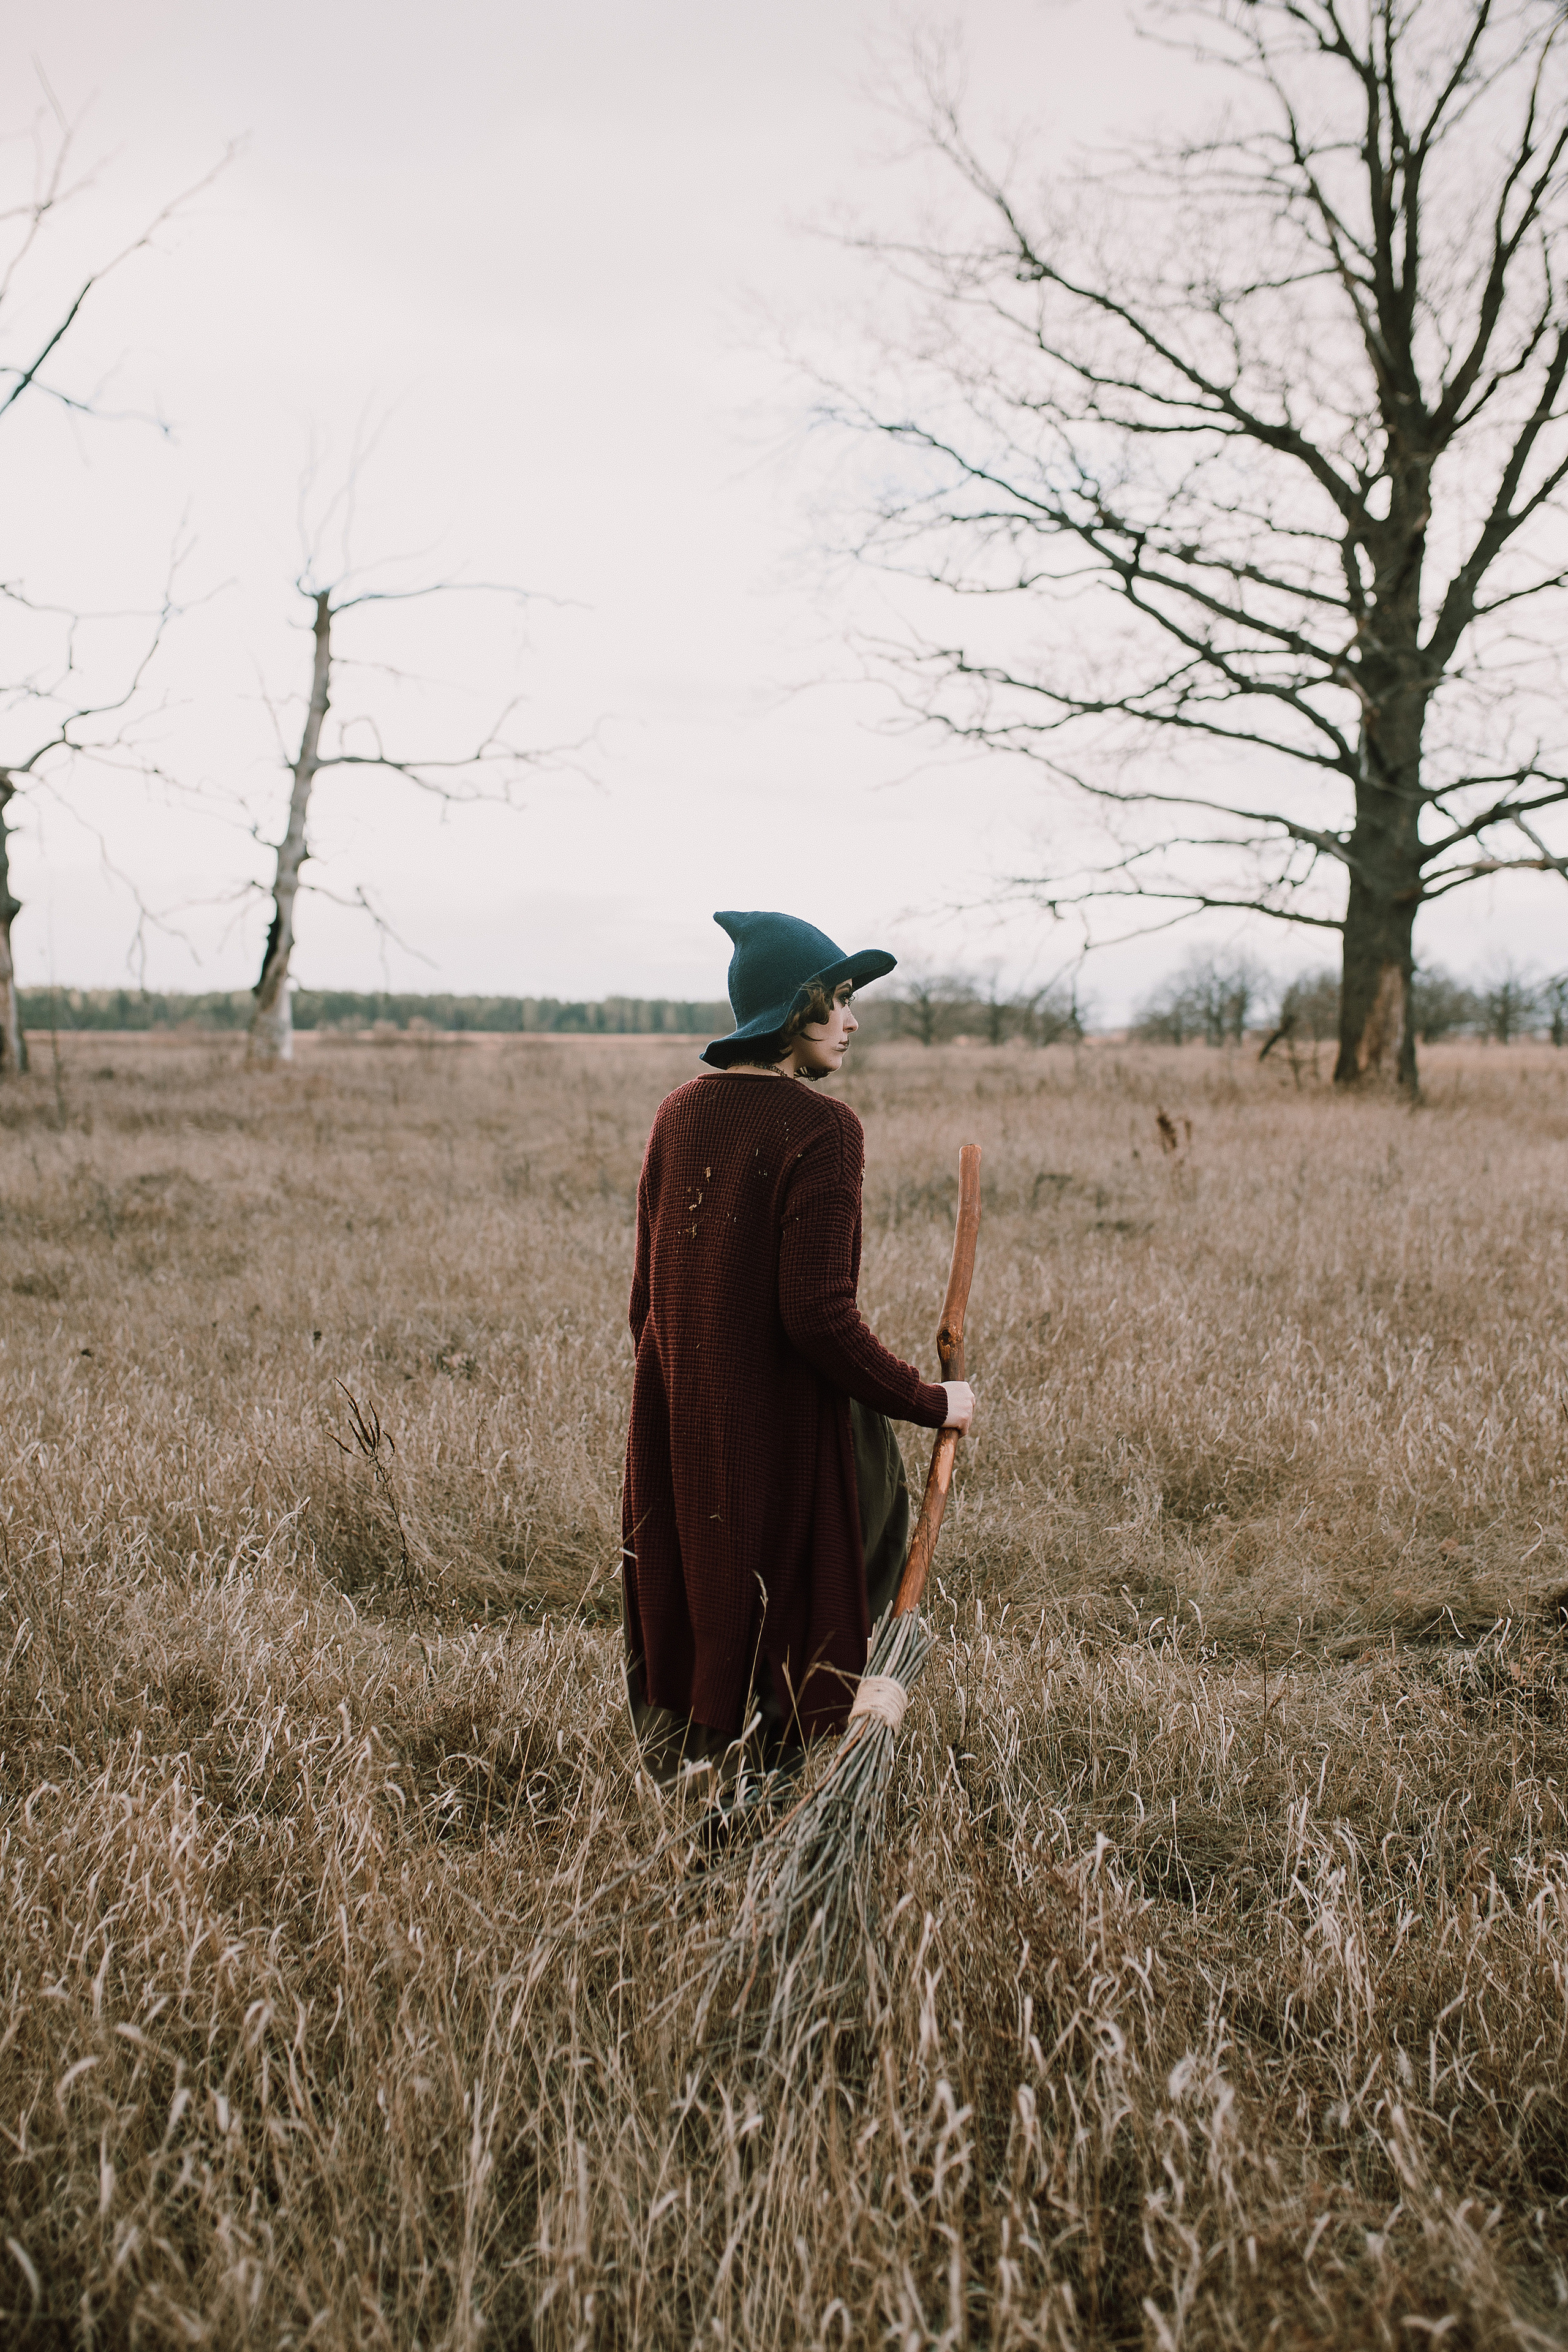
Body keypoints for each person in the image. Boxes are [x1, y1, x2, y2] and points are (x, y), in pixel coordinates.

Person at [620, 908, 975, 1802]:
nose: (853, 1021)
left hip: (681, 1418)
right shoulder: (824, 1128)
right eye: (840, 1000)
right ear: (797, 1009)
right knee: (835, 1585)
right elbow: (817, 1317)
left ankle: (707, 1800)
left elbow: (645, 1307)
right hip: (786, 1426)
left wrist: (695, 1392)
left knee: (707, 1607)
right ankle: (778, 1794)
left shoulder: (678, 1114)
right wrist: (933, 1402)